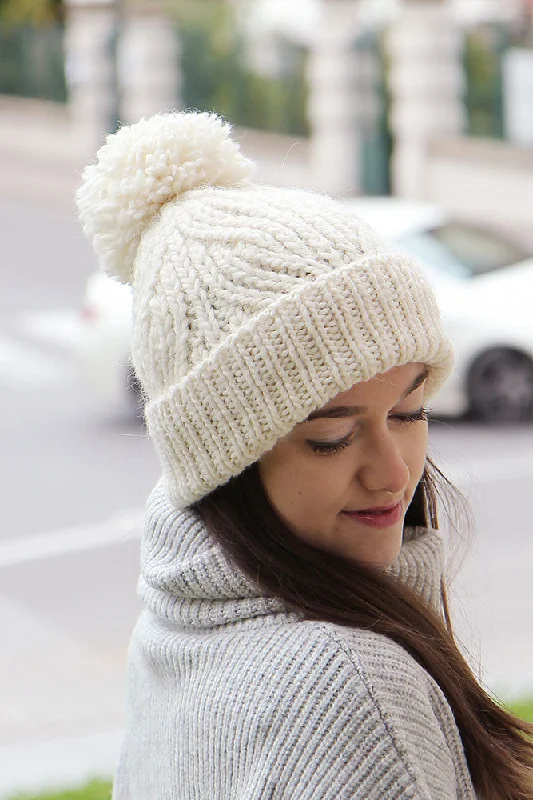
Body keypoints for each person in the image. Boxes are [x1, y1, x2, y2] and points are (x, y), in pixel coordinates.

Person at [77, 112, 533, 800]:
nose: (393, 473)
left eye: (408, 412)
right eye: (331, 437)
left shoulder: (177, 624)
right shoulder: (348, 689)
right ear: (225, 460)